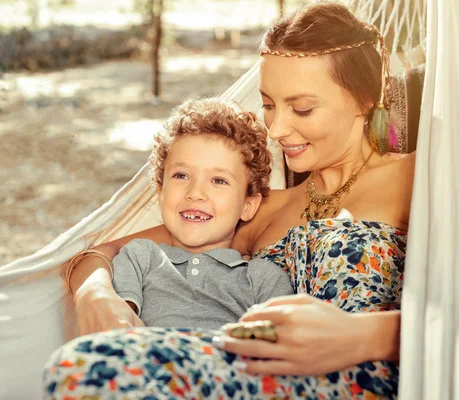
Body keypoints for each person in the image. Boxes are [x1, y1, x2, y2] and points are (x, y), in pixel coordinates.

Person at [43, 3, 415, 399]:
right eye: (269, 104)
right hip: (255, 378)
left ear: (365, 99)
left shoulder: (416, 177)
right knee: (87, 366)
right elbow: (100, 253)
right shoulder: (262, 208)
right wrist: (95, 295)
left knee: (88, 367)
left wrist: (363, 335)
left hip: (359, 383)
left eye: (302, 108)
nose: (276, 128)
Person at [110, 99, 293, 330]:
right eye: (181, 176)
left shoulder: (262, 277)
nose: (195, 193)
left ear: (248, 205)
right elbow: (116, 326)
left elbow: (280, 344)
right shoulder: (140, 257)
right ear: (160, 192)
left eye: (219, 180)